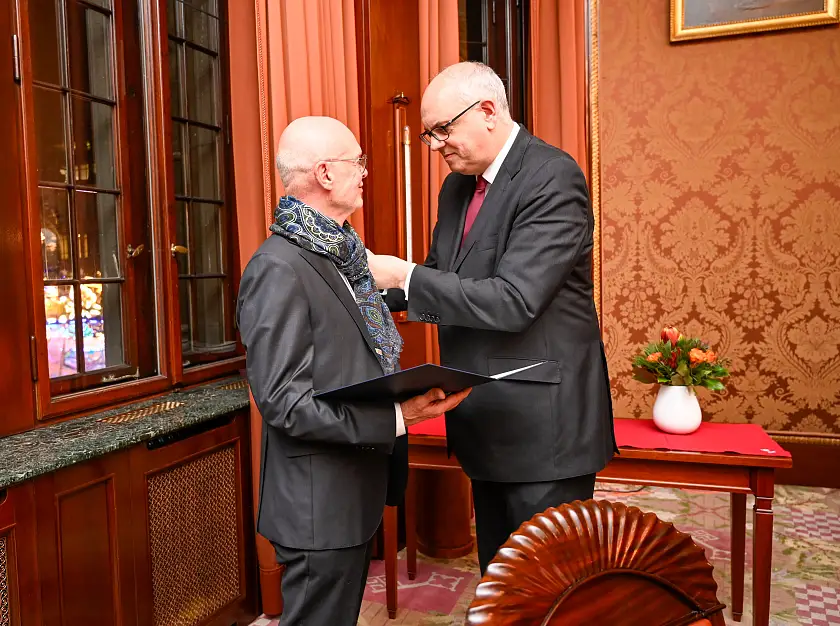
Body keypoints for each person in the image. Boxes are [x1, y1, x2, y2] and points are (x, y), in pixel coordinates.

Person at [367, 62, 616, 574]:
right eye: (428, 134)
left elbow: (514, 299)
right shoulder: (457, 188)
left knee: (551, 588)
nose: (435, 145)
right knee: (501, 579)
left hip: (544, 424)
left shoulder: (552, 175)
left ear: (486, 111)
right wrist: (364, 297)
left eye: (443, 129)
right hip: (484, 415)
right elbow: (446, 280)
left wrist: (405, 274)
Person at [237, 116, 470, 625]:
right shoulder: (278, 267)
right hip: (318, 504)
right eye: (357, 162)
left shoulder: (340, 255)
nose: (365, 172)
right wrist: (396, 417)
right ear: (324, 173)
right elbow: (286, 404)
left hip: (351, 492)